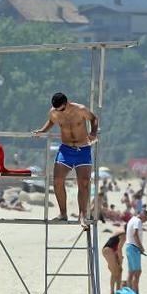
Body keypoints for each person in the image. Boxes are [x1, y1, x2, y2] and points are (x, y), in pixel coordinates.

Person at [32, 92, 98, 228]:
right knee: (57, 181)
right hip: (66, 149)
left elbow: (94, 118)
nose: (59, 112)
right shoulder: (54, 112)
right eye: (56, 109)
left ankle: (82, 215)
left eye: (61, 109)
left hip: (83, 148)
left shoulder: (80, 109)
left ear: (67, 103)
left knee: (84, 182)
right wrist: (42, 131)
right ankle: (63, 213)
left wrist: (93, 133)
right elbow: (51, 121)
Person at [125, 210, 147, 294]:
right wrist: (141, 247)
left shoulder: (131, 219)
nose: (144, 221)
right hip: (133, 247)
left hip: (129, 246)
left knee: (131, 272)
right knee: (137, 272)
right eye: (145, 219)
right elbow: (135, 234)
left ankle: (129, 293)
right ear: (143, 215)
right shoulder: (137, 221)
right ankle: (135, 293)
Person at [102, 226, 126, 294]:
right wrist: (120, 260)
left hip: (111, 250)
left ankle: (118, 290)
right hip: (108, 250)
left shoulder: (121, 232)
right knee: (115, 271)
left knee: (119, 270)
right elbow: (119, 249)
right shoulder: (123, 234)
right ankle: (112, 292)